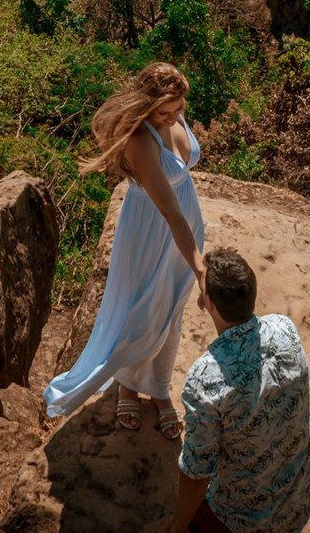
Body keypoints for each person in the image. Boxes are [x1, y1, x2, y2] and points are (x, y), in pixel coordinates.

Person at [43, 61, 205, 439]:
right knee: (142, 311)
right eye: (164, 112)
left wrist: (195, 255)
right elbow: (166, 209)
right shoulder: (140, 139)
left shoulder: (173, 117)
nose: (174, 117)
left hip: (185, 219)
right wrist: (199, 266)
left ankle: (160, 389)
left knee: (172, 313)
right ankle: (128, 385)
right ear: (146, 106)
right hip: (152, 228)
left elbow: (180, 189)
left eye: (179, 109)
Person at [155, 246, 310, 533]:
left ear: (208, 304)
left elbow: (197, 470)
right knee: (273, 459)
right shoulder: (284, 330)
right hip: (299, 494)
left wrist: (182, 526)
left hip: (245, 521)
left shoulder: (206, 379)